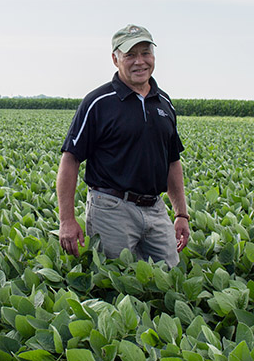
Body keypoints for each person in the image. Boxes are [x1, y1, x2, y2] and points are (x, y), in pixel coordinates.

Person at [56, 24, 190, 267]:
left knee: (169, 277)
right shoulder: (98, 102)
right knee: (112, 280)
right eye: (130, 55)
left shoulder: (164, 103)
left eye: (145, 53)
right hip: (111, 209)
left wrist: (181, 213)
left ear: (153, 56)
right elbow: (70, 159)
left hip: (155, 208)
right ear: (115, 59)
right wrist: (66, 219)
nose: (140, 61)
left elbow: (172, 161)